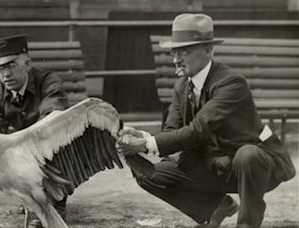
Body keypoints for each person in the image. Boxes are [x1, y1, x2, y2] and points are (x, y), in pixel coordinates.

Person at [116, 13, 296, 228]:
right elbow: (172, 130)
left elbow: (200, 129)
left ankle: (248, 223)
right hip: (216, 164)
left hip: (257, 166)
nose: (175, 59)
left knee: (248, 156)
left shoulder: (231, 83)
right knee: (147, 173)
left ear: (208, 51)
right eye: (174, 51)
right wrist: (144, 137)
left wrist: (146, 144)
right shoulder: (182, 86)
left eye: (184, 51)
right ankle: (218, 207)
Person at [0, 34, 69, 228]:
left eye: (11, 65)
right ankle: (30, 198)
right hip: (25, 150)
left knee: (52, 145)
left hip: (56, 145)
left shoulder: (49, 83)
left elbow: (52, 122)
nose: (5, 74)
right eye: (0, 68)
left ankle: (55, 203)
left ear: (28, 63)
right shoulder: (0, 92)